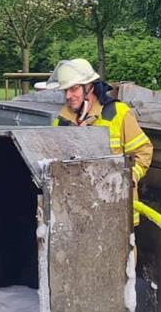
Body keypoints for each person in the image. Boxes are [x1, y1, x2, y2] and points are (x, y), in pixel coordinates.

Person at [47, 58, 152, 225]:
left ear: (89, 87)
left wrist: (131, 175)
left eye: (74, 89)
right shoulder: (63, 119)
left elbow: (143, 150)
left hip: (115, 209)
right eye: (65, 90)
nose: (68, 96)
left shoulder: (117, 113)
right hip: (80, 213)